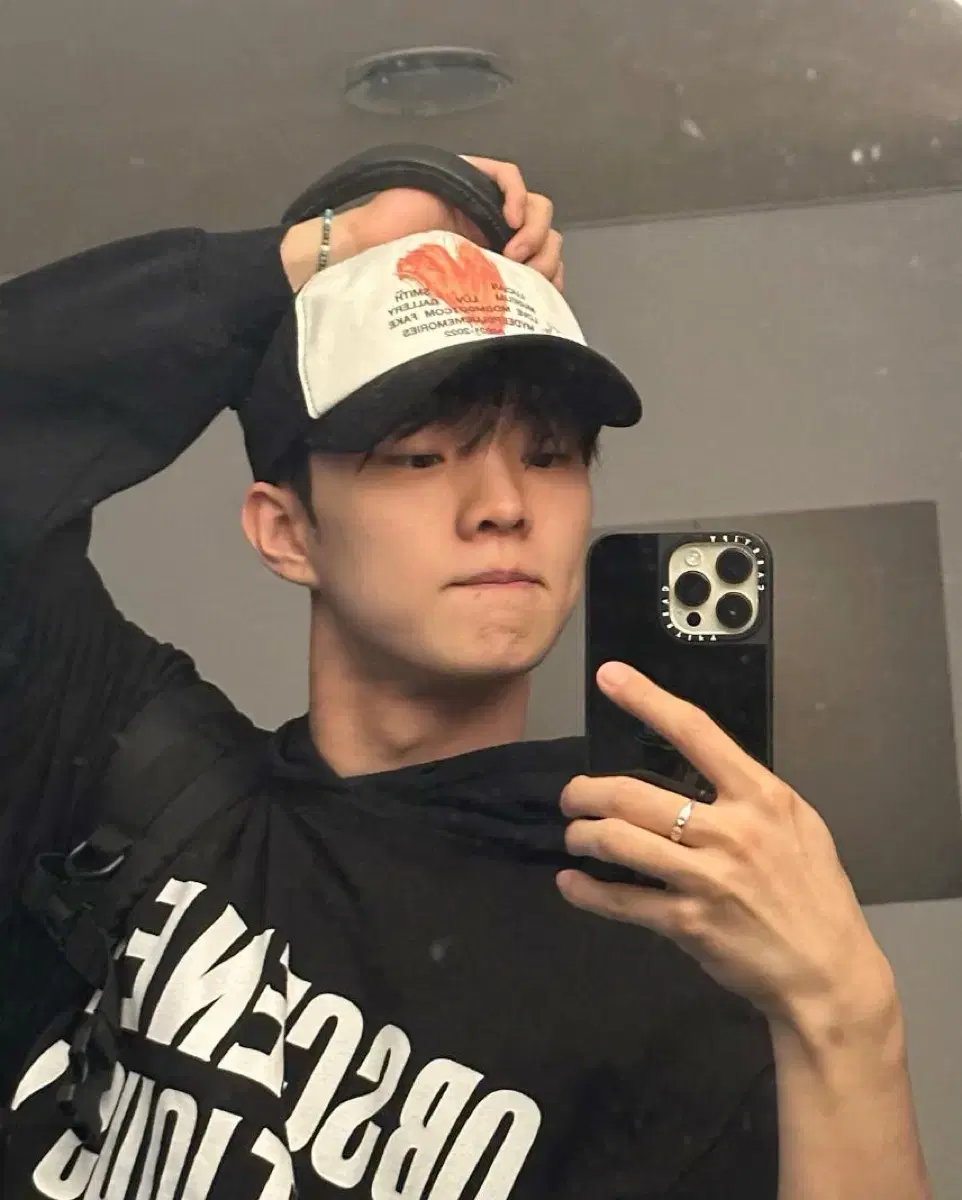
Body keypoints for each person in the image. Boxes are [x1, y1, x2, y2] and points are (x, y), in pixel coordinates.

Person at [0, 154, 930, 1200]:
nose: (503, 505)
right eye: (421, 455)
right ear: (287, 532)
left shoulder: (658, 932)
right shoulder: (121, 767)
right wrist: (311, 259)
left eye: (548, 453)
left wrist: (846, 1018)